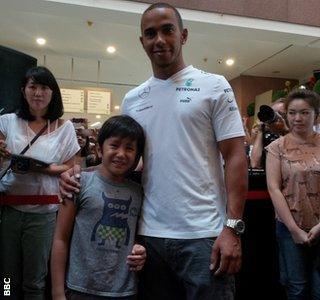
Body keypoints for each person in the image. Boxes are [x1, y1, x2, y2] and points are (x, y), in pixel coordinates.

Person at [60, 3, 247, 299]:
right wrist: (79, 174)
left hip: (204, 236)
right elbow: (126, 159)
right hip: (148, 238)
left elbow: (236, 155)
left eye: (167, 30)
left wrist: (233, 227)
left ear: (183, 35)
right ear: (142, 42)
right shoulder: (134, 99)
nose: (159, 39)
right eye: (150, 33)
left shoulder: (214, 86)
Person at [0, 66, 80, 299]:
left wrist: (44, 169)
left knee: (35, 281)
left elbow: (71, 167)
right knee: (6, 276)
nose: (38, 93)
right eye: (32, 86)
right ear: (23, 90)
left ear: (53, 93)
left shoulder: (64, 128)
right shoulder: (6, 122)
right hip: (9, 209)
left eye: (44, 87)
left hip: (44, 213)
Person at [51, 115, 146, 300]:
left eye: (129, 148)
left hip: (124, 291)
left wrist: (140, 250)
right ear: (99, 149)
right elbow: (60, 239)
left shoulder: (139, 192)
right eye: (114, 145)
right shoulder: (77, 183)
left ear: (137, 156)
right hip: (80, 289)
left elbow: (138, 238)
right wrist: (57, 292)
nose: (121, 153)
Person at [266, 89, 320, 300]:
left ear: (316, 114)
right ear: (286, 115)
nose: (298, 118)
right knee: (296, 288)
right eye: (292, 112)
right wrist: (294, 230)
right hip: (289, 228)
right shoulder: (276, 147)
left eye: (305, 113)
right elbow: (274, 188)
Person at [250, 98, 288, 169]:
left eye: (280, 114)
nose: (276, 116)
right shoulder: (263, 132)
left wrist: (283, 131)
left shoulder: (292, 133)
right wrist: (261, 131)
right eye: (273, 112)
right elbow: (254, 163)